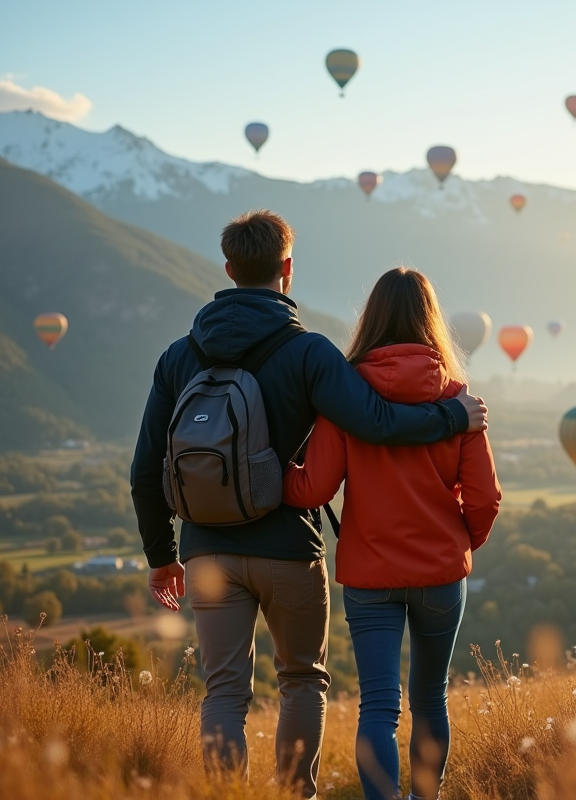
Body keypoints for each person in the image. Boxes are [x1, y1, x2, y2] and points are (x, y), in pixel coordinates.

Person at [129, 210, 487, 800]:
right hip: (288, 549)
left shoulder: (178, 356)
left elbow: (146, 468)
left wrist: (162, 555)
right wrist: (451, 415)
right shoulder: (308, 353)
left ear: (227, 268)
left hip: (206, 551)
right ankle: (296, 795)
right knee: (301, 680)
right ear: (287, 270)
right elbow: (374, 421)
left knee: (223, 691)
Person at [283, 267, 501, 800]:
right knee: (431, 698)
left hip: (370, 574)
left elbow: (312, 490)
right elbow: (485, 498)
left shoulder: (345, 395)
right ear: (432, 320)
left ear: (370, 318)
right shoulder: (458, 398)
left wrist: (268, 468)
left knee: (378, 705)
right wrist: (460, 542)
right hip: (442, 573)